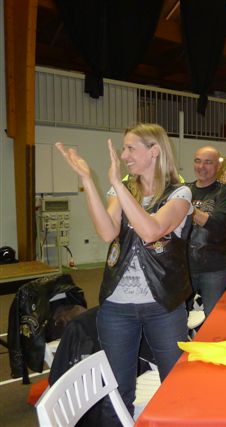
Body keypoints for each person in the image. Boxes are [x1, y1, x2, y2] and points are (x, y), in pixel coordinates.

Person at [55, 124, 192, 419]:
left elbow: (151, 231)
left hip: (163, 305)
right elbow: (107, 231)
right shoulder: (124, 189)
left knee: (176, 386)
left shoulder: (179, 193)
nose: (124, 155)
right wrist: (87, 180)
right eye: (124, 148)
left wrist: (118, 184)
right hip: (117, 306)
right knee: (116, 393)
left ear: (154, 151)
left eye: (131, 148)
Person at [187, 146, 226, 317]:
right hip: (184, 267)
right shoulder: (185, 190)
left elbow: (218, 224)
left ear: (218, 166)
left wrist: (187, 208)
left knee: (213, 317)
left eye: (208, 162)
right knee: (178, 318)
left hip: (214, 267)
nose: (201, 166)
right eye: (198, 161)